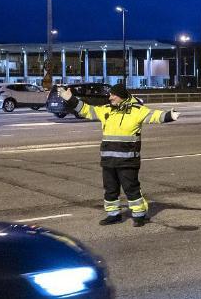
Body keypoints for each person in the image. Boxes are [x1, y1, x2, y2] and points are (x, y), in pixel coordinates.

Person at [58, 83, 180, 227]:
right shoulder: (107, 110)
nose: (110, 97)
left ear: (121, 96)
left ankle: (139, 215)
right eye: (110, 94)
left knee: (131, 189)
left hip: (128, 160)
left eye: (113, 95)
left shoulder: (137, 111)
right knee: (110, 189)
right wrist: (70, 98)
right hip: (108, 160)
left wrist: (169, 116)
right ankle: (113, 215)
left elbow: (154, 115)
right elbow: (86, 110)